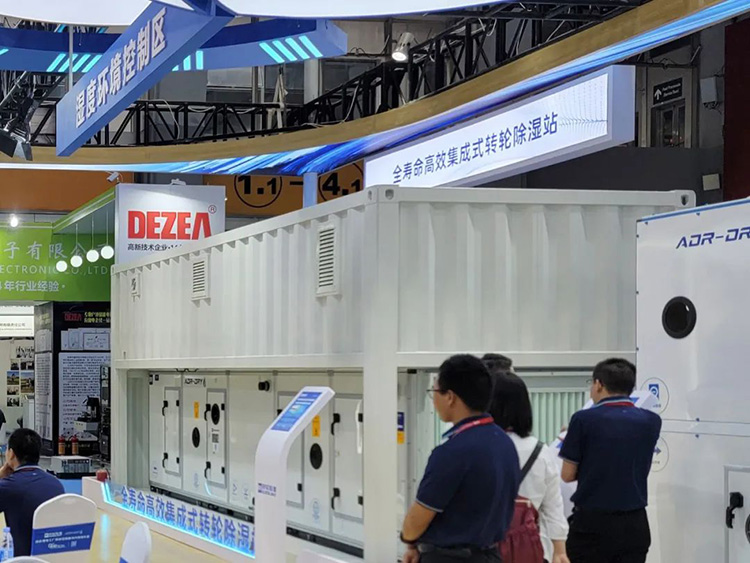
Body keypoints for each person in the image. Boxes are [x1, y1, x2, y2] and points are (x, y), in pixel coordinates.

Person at [401, 354, 520, 563]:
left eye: (434, 392)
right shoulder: (504, 443)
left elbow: (417, 520)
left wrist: (409, 540)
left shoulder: (452, 452)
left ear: (450, 397)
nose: (434, 400)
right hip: (491, 555)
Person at [560, 359, 661, 563]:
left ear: (598, 384)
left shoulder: (583, 420)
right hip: (635, 523)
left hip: (592, 525)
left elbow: (567, 475)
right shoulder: (651, 421)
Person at [489, 370, 570, 563]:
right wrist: (560, 551)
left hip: (482, 546)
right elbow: (553, 506)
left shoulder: (477, 446)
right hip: (529, 548)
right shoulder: (540, 451)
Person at [0, 428, 64, 556]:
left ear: (11, 454)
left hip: (21, 559)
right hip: (52, 557)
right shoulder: (56, 484)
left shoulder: (9, 486)